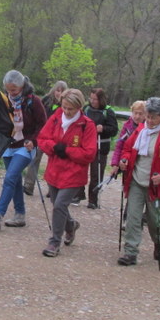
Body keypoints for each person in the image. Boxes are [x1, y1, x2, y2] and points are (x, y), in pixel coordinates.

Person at [115, 97, 160, 266]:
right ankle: (130, 252)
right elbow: (128, 149)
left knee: (154, 221)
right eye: (148, 116)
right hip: (137, 180)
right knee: (133, 217)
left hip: (156, 185)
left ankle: (159, 241)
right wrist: (124, 160)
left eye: (153, 117)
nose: (150, 121)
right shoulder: (140, 130)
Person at [38, 88, 97, 257]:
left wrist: (68, 151)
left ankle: (54, 242)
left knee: (59, 206)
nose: (67, 111)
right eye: (64, 107)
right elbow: (42, 139)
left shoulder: (87, 125)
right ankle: (71, 225)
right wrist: (54, 148)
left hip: (73, 174)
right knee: (58, 205)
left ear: (79, 107)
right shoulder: (55, 118)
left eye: (71, 108)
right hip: (54, 171)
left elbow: (89, 153)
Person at [0, 70, 47, 230]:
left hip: (25, 146)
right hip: (8, 145)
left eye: (13, 90)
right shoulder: (4, 100)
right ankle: (20, 215)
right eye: (8, 89)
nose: (10, 93)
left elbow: (43, 124)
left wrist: (33, 140)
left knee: (10, 177)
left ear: (22, 86)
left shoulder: (34, 101)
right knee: (15, 181)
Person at [23, 80, 67, 196]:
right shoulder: (46, 100)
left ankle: (52, 187)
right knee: (35, 158)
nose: (59, 93)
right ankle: (29, 185)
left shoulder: (66, 104)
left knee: (53, 161)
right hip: (42, 134)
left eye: (62, 91)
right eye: (58, 90)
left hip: (56, 137)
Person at [83, 88, 118, 208]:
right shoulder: (86, 109)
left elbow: (114, 130)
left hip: (100, 146)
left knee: (96, 174)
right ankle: (77, 194)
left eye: (95, 99)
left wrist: (103, 128)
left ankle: (93, 199)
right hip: (86, 144)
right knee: (81, 170)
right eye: (91, 98)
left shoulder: (108, 111)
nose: (92, 101)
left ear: (100, 99)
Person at [110, 100, 146, 173]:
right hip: (127, 161)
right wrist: (115, 164)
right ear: (132, 113)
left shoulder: (147, 128)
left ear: (145, 114)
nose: (137, 116)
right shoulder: (127, 126)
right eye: (135, 113)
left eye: (140, 114)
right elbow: (119, 146)